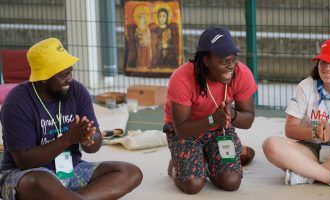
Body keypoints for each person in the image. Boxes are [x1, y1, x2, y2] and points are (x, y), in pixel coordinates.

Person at [0, 38, 143, 200]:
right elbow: (24, 162)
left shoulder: (77, 91)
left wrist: (89, 138)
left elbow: (93, 146)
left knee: (130, 172)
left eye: (70, 72)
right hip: (25, 175)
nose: (70, 78)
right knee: (41, 182)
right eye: (64, 75)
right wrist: (68, 139)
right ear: (44, 77)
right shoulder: (16, 102)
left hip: (69, 168)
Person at [262, 37, 330, 189]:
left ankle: (307, 174)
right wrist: (314, 132)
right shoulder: (306, 86)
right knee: (270, 145)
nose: (327, 68)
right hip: (310, 149)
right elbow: (290, 129)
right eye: (323, 62)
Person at [163, 27, 257, 194]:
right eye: (223, 61)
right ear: (206, 60)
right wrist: (213, 119)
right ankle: (176, 166)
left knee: (231, 182)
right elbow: (182, 130)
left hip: (220, 129)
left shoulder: (241, 73)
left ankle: (204, 158)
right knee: (193, 185)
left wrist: (232, 114)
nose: (230, 66)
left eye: (233, 59)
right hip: (187, 131)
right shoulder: (182, 78)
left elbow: (248, 119)